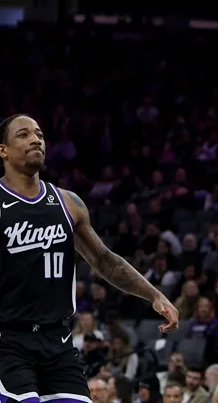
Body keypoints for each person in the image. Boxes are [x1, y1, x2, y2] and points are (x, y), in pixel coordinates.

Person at [0, 114, 179, 403]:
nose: (35, 139)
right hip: (8, 342)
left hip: (57, 342)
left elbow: (104, 261)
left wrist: (154, 295)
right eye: (23, 134)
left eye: (39, 134)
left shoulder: (68, 203)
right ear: (3, 150)